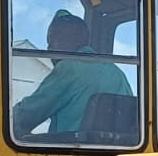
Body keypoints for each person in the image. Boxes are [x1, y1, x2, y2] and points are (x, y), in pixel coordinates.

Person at [10, 8, 132, 139]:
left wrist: (4, 118)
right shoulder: (116, 72)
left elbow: (28, 114)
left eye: (54, 40)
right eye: (48, 43)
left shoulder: (68, 68)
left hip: (67, 153)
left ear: (78, 40)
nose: (49, 48)